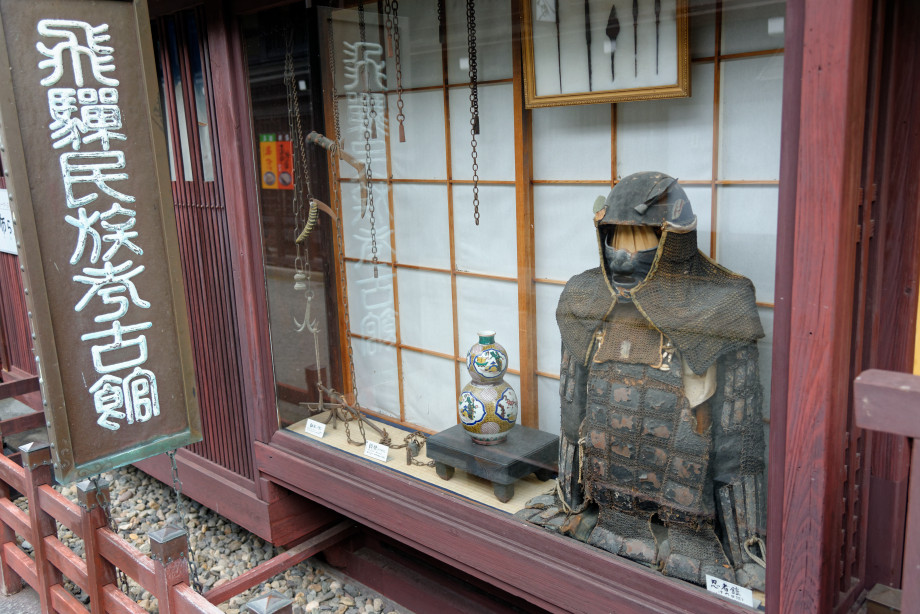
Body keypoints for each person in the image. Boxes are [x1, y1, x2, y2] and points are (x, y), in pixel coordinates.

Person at [520, 172, 766, 589]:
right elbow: (571, 418)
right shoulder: (585, 296)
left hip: (686, 531)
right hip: (603, 512)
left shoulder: (720, 307)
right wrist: (568, 499)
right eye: (615, 238)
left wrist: (747, 547)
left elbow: (736, 448)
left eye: (642, 240)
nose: (621, 257)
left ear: (674, 240)